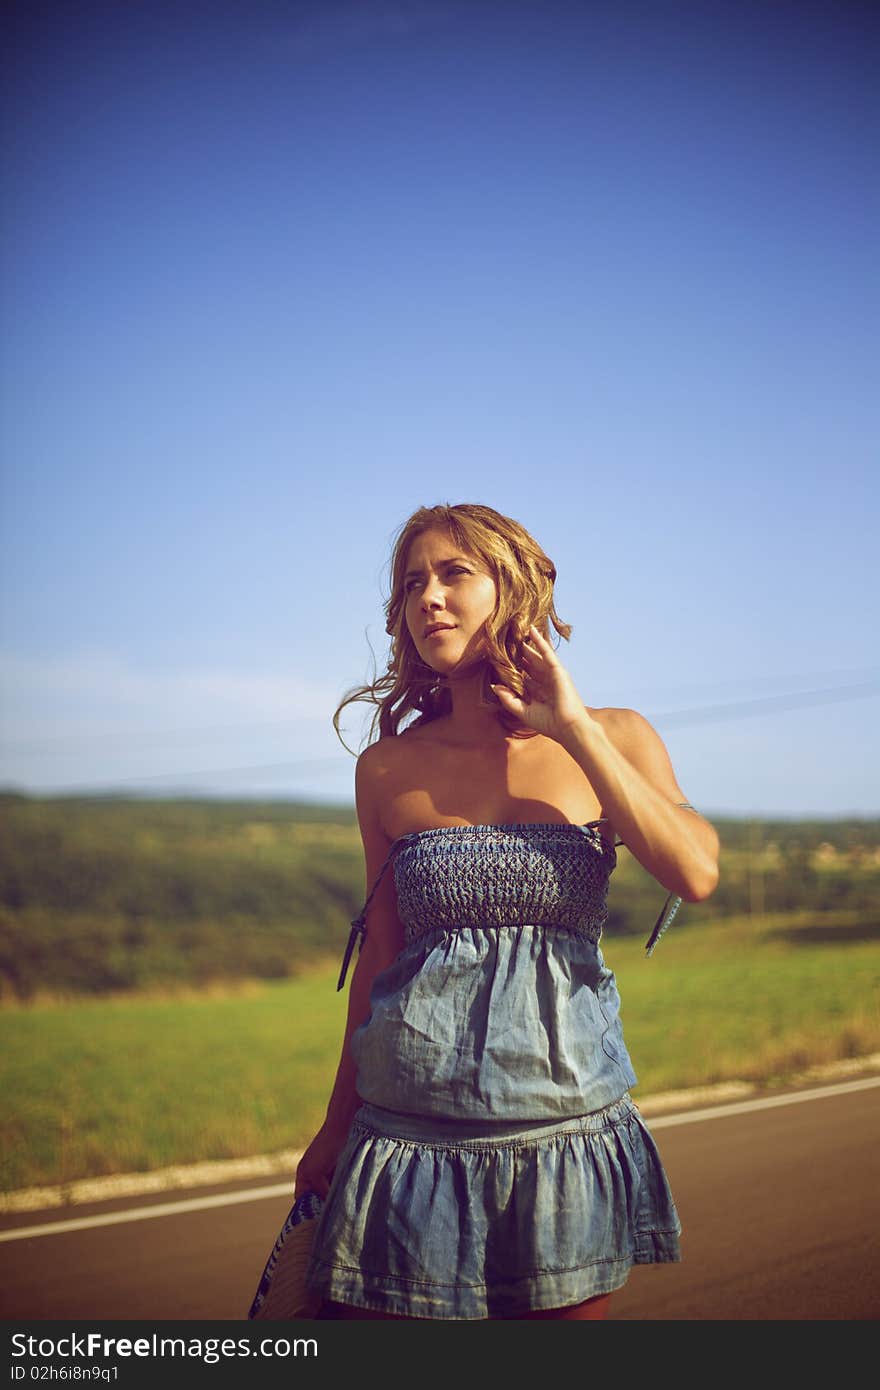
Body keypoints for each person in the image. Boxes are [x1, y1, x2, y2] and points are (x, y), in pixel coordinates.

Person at [295, 502, 719, 1320]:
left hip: (562, 1129)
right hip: (406, 1138)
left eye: (455, 574)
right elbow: (381, 962)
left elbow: (694, 871)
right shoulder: (388, 768)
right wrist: (335, 1122)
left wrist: (573, 728)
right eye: (413, 582)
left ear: (513, 589)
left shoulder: (616, 736)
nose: (428, 598)